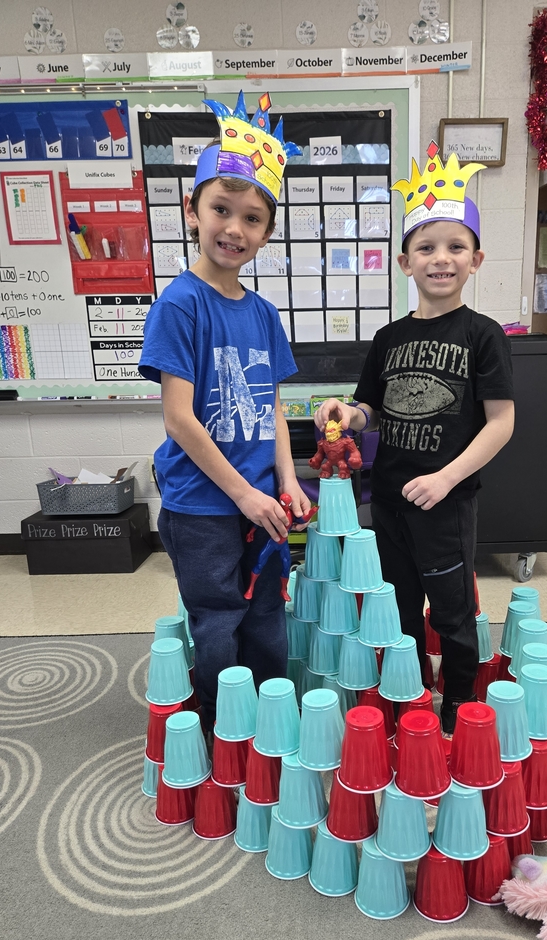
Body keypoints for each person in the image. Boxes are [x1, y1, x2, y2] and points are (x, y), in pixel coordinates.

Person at [314, 142, 515, 735]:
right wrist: (346, 415)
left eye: (455, 247)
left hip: (446, 498)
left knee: (452, 606)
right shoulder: (388, 336)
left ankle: (456, 699)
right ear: (405, 262)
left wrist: (448, 476)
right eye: (426, 247)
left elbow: (501, 422)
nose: (440, 258)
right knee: (398, 600)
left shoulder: (484, 335)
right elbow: (370, 408)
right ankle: (410, 688)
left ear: (476, 260)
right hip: (390, 493)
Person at [139, 93, 310, 743]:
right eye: (220, 208)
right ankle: (224, 731)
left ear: (266, 233)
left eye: (252, 217)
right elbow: (181, 419)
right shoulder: (180, 305)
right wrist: (242, 493)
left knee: (268, 617)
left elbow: (270, 408)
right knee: (216, 620)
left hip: (264, 501)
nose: (234, 228)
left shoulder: (264, 315)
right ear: (192, 210)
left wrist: (287, 483)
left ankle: (269, 726)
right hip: (204, 505)